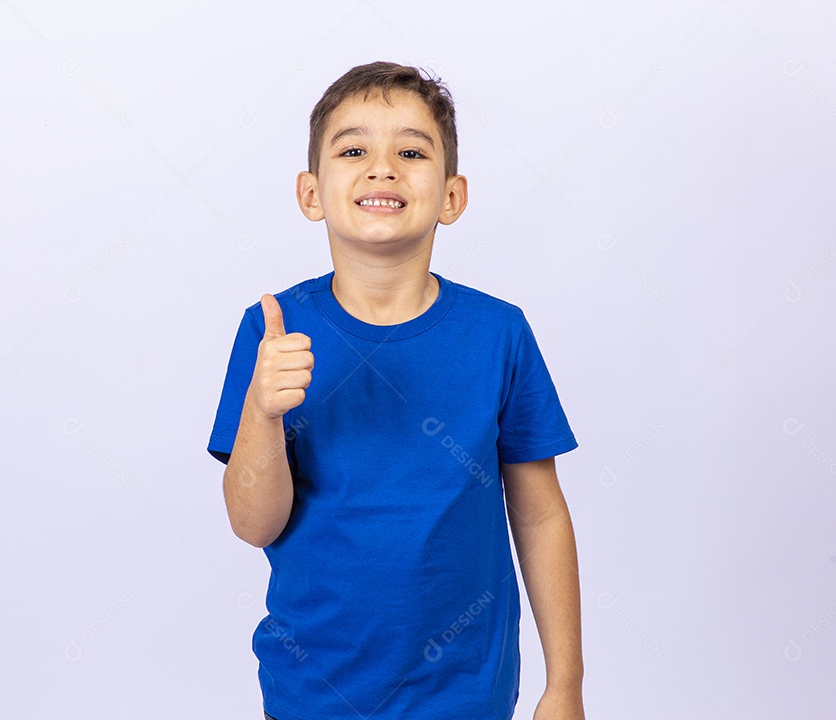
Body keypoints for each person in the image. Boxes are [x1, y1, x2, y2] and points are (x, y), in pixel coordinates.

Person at [207, 60, 585, 720]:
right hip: (311, 694)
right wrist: (264, 413)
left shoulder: (498, 334)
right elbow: (252, 523)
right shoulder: (271, 332)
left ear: (451, 196)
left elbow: (541, 513)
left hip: (466, 696)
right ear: (311, 193)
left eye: (411, 151)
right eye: (353, 149)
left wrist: (566, 684)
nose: (382, 168)